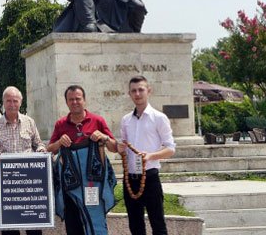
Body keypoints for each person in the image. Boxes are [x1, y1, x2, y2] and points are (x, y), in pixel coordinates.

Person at [46, 85, 118, 234]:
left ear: (84, 100)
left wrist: (103, 137)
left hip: (94, 184)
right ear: (66, 102)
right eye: (71, 99)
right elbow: (49, 150)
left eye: (78, 99)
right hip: (71, 187)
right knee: (73, 226)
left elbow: (113, 147)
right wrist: (59, 143)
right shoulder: (60, 124)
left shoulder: (98, 120)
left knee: (96, 223)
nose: (75, 102)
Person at [0, 86, 46, 235]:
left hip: (30, 183)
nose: (12, 104)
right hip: (7, 185)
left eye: (15, 101)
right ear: (3, 102)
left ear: (20, 102)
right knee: (10, 227)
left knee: (33, 226)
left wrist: (41, 151)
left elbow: (39, 144)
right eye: (8, 101)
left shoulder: (29, 122)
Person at [117, 76, 176, 235]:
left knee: (158, 224)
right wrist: (120, 148)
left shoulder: (159, 118)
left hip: (150, 176)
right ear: (129, 94)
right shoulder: (125, 120)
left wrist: (150, 156)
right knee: (135, 226)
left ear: (148, 91)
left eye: (141, 89)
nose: (137, 93)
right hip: (130, 178)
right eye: (133, 91)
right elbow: (123, 146)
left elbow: (171, 149)